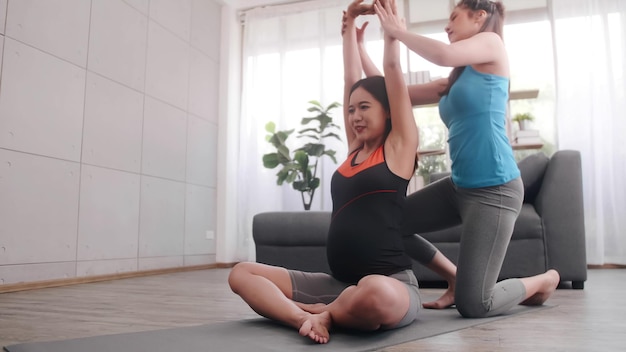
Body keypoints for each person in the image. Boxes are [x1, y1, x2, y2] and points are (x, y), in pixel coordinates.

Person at [228, 0, 421, 344]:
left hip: (391, 284)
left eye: (365, 108)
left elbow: (392, 72)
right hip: (337, 283)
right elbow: (350, 79)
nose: (355, 116)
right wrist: (348, 26)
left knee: (374, 293)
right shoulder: (353, 151)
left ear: (389, 111)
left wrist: (392, 34)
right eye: (350, 110)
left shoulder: (397, 149)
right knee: (242, 273)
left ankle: (328, 313)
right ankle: (304, 316)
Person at [354, 0, 561, 317]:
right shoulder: (454, 79)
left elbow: (443, 54)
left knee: (475, 304)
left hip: (496, 190)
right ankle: (453, 277)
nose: (447, 26)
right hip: (459, 187)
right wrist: (361, 47)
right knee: (388, 223)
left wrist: (397, 30)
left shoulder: (493, 46)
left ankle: (543, 280)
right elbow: (391, 91)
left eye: (453, 17)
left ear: (480, 17)